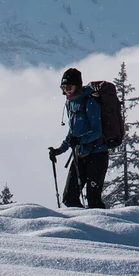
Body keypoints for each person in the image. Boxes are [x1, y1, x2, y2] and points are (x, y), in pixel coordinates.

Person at [48, 67, 108, 209]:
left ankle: (102, 228)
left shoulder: (90, 102)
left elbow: (97, 131)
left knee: (94, 201)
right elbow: (72, 132)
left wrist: (80, 140)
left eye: (69, 87)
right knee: (69, 198)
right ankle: (81, 227)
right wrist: (60, 150)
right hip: (80, 154)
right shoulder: (70, 103)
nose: (66, 90)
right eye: (63, 87)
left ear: (78, 86)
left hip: (97, 154)